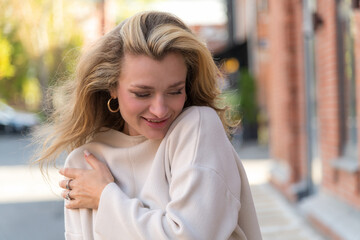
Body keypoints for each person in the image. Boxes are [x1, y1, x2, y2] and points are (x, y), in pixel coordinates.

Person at [34, 11, 262, 240]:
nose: (160, 109)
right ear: (112, 86)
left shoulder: (197, 128)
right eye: (142, 93)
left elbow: (191, 235)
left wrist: (104, 197)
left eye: (175, 91)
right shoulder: (85, 163)